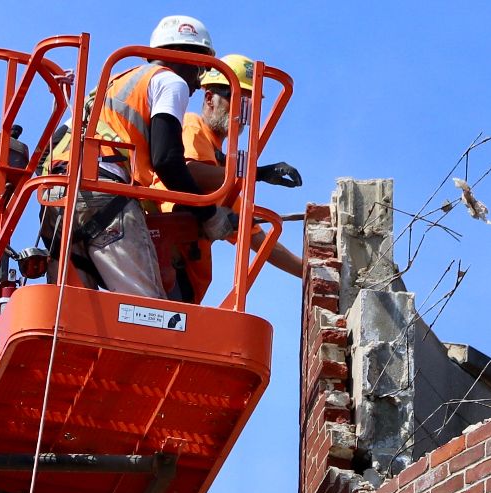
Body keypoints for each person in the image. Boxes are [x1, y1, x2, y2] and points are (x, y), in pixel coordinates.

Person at [45, 15, 234, 298]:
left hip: (54, 199)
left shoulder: (115, 81)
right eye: (201, 70)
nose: (198, 84)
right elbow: (167, 161)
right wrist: (209, 215)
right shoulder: (170, 83)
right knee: (146, 316)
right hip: (103, 197)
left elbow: (55, 142)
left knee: (74, 318)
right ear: (189, 57)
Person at [153, 53, 305, 304]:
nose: (240, 112)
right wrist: (256, 173)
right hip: (165, 260)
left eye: (248, 105)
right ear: (209, 97)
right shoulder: (193, 126)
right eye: (234, 99)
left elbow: (257, 238)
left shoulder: (223, 172)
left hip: (180, 277)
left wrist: (310, 273)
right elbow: (188, 173)